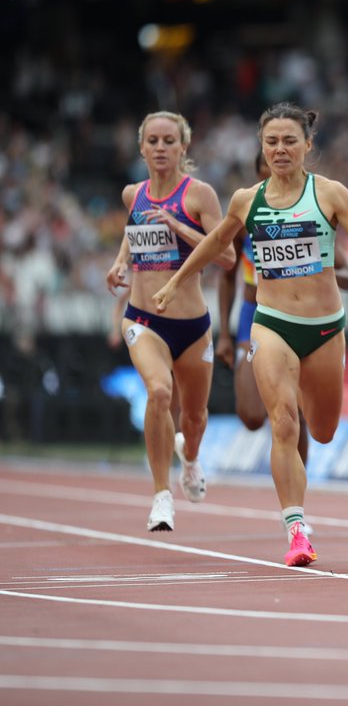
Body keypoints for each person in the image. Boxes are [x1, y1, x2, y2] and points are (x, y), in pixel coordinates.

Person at [153, 102, 348, 567]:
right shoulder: (247, 199)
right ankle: (296, 529)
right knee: (282, 423)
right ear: (262, 147)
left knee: (322, 430)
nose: (280, 149)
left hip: (323, 328)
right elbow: (215, 244)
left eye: (289, 141)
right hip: (272, 323)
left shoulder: (331, 194)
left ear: (307, 145)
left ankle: (303, 404)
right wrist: (177, 280)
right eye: (271, 142)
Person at [105, 111, 236, 532]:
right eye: (153, 141)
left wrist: (178, 226)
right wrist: (120, 262)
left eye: (169, 141)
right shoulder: (133, 194)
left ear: (184, 147)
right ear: (141, 147)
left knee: (194, 419)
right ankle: (161, 496)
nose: (161, 148)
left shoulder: (199, 196)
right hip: (143, 319)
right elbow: (133, 229)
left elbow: (228, 257)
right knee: (159, 392)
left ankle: (191, 458)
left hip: (192, 324)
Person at [215, 150, 348, 467]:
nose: (275, 177)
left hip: (304, 316)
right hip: (254, 312)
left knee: (294, 416)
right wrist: (224, 334)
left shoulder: (308, 216)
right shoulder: (246, 216)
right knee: (253, 416)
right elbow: (227, 277)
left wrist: (313, 268)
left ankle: (296, 504)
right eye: (264, 172)